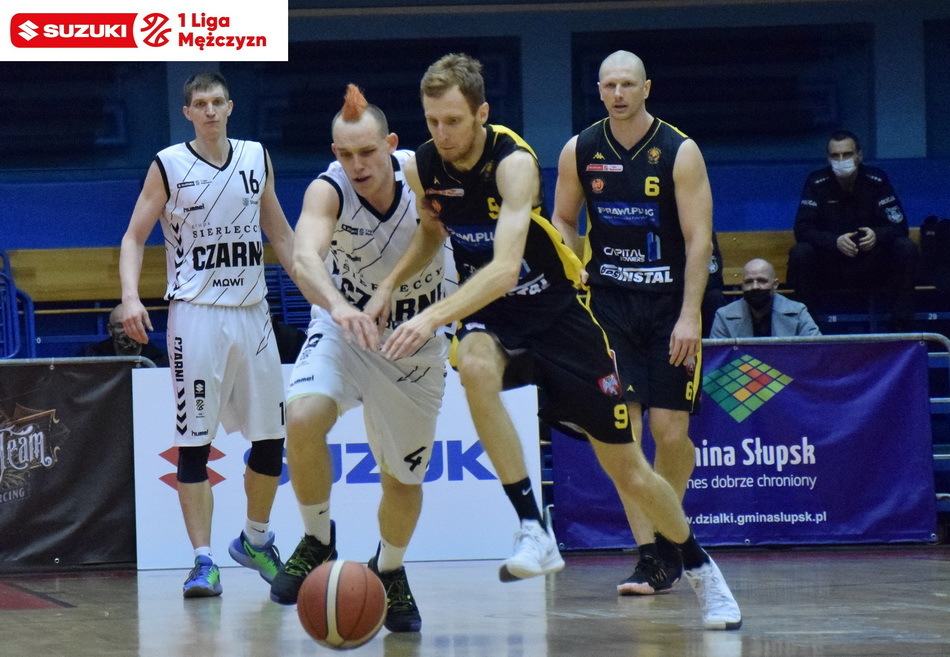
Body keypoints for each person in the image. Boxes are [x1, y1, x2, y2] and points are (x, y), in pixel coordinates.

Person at [368, 53, 741, 630]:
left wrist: (429, 317)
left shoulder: (514, 163)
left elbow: (505, 268)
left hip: (560, 316)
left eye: (453, 121)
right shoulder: (423, 166)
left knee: (630, 470)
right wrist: (390, 284)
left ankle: (700, 568)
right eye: (433, 121)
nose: (441, 133)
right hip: (494, 315)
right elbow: (432, 232)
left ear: (481, 114)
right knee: (474, 365)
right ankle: (531, 526)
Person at [268, 86, 450, 635]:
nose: (358, 165)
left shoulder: (422, 173)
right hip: (345, 329)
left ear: (391, 144)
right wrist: (340, 307)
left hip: (413, 342)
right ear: (334, 153)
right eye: (346, 154)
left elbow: (435, 234)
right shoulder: (328, 190)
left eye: (368, 152)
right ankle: (317, 539)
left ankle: (389, 570)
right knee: (301, 416)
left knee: (402, 482)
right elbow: (305, 256)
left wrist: (388, 286)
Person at [551, 50, 724, 600]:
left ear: (646, 87)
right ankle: (650, 554)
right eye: (609, 85)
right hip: (609, 306)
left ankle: (670, 539)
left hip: (671, 305)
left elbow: (699, 239)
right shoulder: (580, 149)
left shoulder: (679, 151)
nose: (618, 94)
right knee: (623, 433)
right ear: (599, 90)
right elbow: (562, 218)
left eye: (628, 84)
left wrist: (691, 314)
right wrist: (570, 261)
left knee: (671, 434)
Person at [118, 71, 294, 598]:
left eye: (218, 101)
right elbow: (133, 237)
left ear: (230, 107)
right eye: (201, 103)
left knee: (272, 439)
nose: (211, 110)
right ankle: (203, 561)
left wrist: (327, 297)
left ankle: (255, 540)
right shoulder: (168, 164)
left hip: (253, 313)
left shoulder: (256, 157)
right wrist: (131, 297)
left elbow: (281, 234)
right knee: (195, 442)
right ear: (188, 113)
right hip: (195, 314)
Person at [787, 129, 919, 332]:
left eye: (847, 154)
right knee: (801, 253)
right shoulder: (816, 182)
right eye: (835, 156)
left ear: (859, 156)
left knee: (905, 248)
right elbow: (802, 230)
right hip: (831, 266)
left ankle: (902, 332)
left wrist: (877, 235)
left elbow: (899, 227)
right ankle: (808, 331)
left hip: (871, 265)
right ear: (828, 158)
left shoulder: (876, 180)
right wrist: (834, 242)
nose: (841, 160)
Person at [710, 258, 821, 338]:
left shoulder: (798, 312)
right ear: (742, 286)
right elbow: (717, 360)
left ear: (775, 284)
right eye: (749, 282)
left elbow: (817, 352)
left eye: (762, 281)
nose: (755, 287)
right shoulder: (723, 316)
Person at [78, 303, 169, 366]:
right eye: (120, 326)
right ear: (110, 330)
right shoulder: (89, 356)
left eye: (133, 324)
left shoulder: (161, 359)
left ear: (144, 326)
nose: (127, 330)